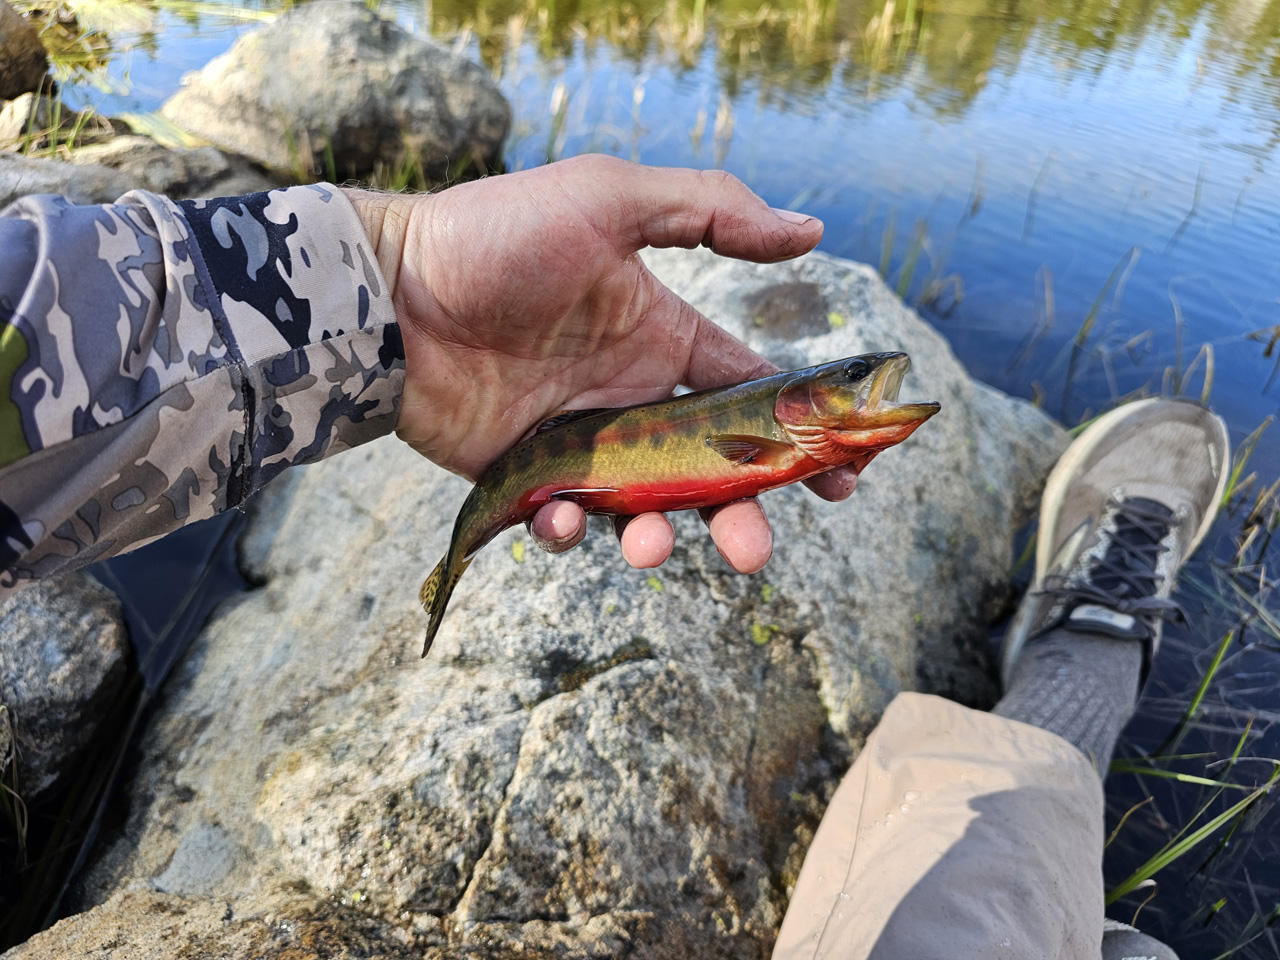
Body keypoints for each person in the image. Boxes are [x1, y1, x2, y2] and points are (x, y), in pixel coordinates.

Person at [0, 156, 1227, 959]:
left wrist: (396, 275)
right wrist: (387, 277)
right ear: (803, 408)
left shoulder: (777, 435)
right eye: (844, 385)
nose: (862, 393)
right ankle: (1081, 658)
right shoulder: (768, 425)